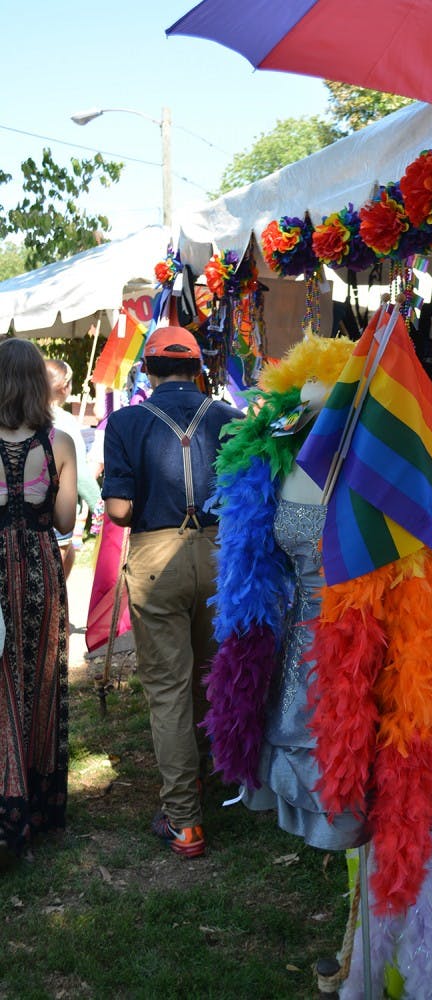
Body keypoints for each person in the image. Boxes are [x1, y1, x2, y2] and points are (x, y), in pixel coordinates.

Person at [101, 326, 241, 859]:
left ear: (149, 369)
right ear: (197, 367)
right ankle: (205, 776)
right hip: (222, 556)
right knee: (209, 676)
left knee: (168, 688)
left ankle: (184, 820)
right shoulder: (230, 418)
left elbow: (118, 511)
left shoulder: (126, 421)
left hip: (158, 558)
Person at [0, 340, 77, 864]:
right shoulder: (60, 443)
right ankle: (37, 802)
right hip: (41, 568)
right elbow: (68, 523)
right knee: (40, 677)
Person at [44, 359, 103, 578]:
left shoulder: (18, 417)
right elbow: (79, 474)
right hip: (57, 514)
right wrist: (100, 506)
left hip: (22, 516)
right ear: (64, 386)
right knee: (54, 585)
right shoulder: (65, 421)